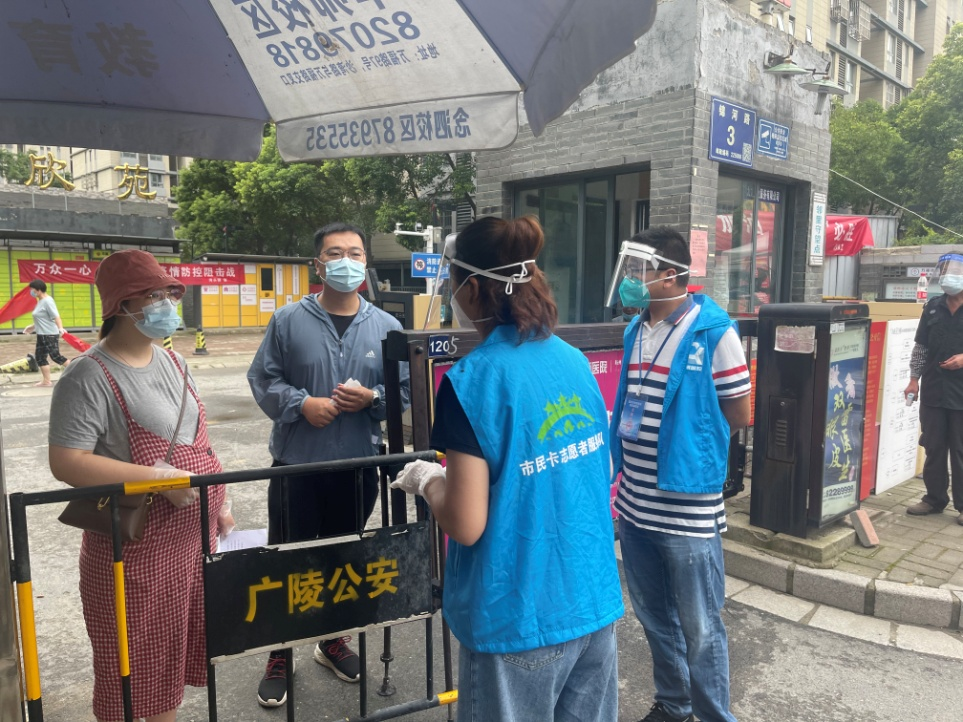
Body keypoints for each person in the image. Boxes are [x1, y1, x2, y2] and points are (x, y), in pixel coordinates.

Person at [391, 216, 624, 722]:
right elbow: (601, 469)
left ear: (472, 289)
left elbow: (466, 522)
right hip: (592, 602)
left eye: (453, 284)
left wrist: (428, 480)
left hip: (516, 618)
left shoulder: (471, 381)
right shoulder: (574, 361)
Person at [47, 249, 228, 722]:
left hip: (191, 544)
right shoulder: (88, 374)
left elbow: (197, 438)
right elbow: (66, 462)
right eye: (153, 294)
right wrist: (157, 479)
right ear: (122, 304)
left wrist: (221, 504)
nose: (167, 303)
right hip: (134, 556)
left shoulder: (175, 362)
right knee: (133, 673)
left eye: (169, 292)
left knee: (171, 662)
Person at [248, 221, 410, 708]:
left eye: (355, 253)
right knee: (288, 558)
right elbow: (263, 380)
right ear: (317, 264)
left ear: (366, 262)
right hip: (296, 465)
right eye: (336, 253)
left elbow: (404, 390)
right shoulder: (287, 320)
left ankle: (331, 639)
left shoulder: (387, 327)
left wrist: (374, 399)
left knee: (343, 559)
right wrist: (301, 404)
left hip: (357, 467)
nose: (347, 261)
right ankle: (279, 651)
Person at [609, 227, 750, 722]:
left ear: (669, 275)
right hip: (634, 503)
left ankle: (713, 715)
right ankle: (674, 703)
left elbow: (738, 413)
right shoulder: (635, 329)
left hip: (686, 509)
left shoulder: (714, 333)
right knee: (654, 617)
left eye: (639, 269)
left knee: (701, 627)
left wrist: (690, 438)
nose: (630, 278)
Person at [905, 253, 963, 525]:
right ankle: (934, 499)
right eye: (944, 270)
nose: (947, 275)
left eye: (954, 270)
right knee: (933, 446)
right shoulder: (932, 307)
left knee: (960, 451)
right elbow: (921, 348)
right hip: (933, 390)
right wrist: (913, 379)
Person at [23, 278, 69, 386]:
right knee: (40, 357)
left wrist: (61, 328)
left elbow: (56, 316)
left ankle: (78, 370)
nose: (31, 292)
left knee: (56, 356)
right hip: (41, 334)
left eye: (32, 289)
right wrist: (32, 327)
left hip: (50, 334)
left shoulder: (48, 301)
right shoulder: (40, 301)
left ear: (39, 290)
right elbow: (42, 318)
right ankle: (46, 381)